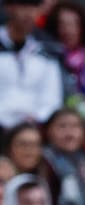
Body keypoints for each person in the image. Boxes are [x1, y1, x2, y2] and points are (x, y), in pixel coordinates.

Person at [0, 0, 66, 129]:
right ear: (9, 7)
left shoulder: (46, 51)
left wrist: (37, 117)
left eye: (34, 7)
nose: (29, 13)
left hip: (33, 130)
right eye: (24, 6)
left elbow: (51, 99)